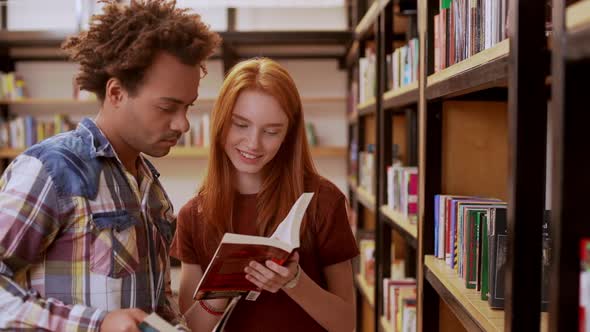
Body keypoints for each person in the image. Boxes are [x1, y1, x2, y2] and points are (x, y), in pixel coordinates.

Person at [0, 1, 220, 330]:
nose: (183, 124)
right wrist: (96, 324)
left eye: (187, 107)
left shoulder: (152, 190)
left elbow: (155, 308)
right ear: (116, 92)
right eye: (167, 107)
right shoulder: (52, 170)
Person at [171, 58, 359, 331]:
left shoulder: (323, 201)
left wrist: (294, 281)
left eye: (271, 131)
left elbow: (346, 324)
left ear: (288, 135)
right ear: (221, 121)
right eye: (241, 125)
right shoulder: (193, 215)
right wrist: (221, 290)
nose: (253, 143)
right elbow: (190, 327)